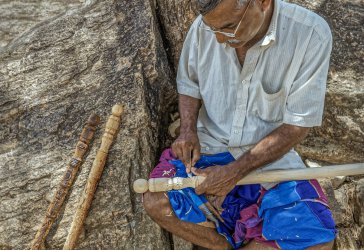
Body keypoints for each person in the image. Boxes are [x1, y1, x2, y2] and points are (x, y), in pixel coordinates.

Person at [143, 0, 336, 249]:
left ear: (263, 2)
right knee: (157, 200)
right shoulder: (204, 28)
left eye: (230, 26)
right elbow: (189, 85)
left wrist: (234, 172)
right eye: (216, 30)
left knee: (316, 240)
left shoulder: (311, 34)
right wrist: (188, 131)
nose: (221, 40)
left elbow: (296, 126)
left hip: (269, 161)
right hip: (210, 149)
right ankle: (228, 244)